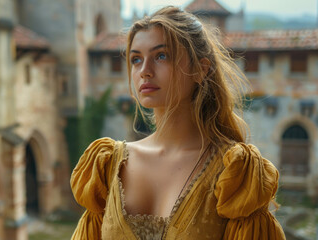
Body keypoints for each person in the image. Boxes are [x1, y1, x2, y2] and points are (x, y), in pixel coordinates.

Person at [70, 6, 285, 240]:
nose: (144, 71)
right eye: (136, 59)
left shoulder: (235, 175)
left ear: (200, 69)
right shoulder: (108, 166)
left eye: (161, 56)